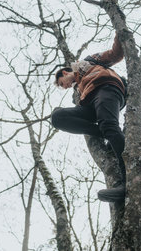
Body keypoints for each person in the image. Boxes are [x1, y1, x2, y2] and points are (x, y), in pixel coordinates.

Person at [51, 34, 126, 202]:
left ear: (64, 72)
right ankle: (106, 132)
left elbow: (115, 54)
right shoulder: (79, 88)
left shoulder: (86, 63)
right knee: (57, 117)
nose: (65, 87)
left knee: (109, 126)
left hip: (105, 88)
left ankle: (125, 183)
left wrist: (119, 33)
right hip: (89, 104)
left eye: (62, 83)